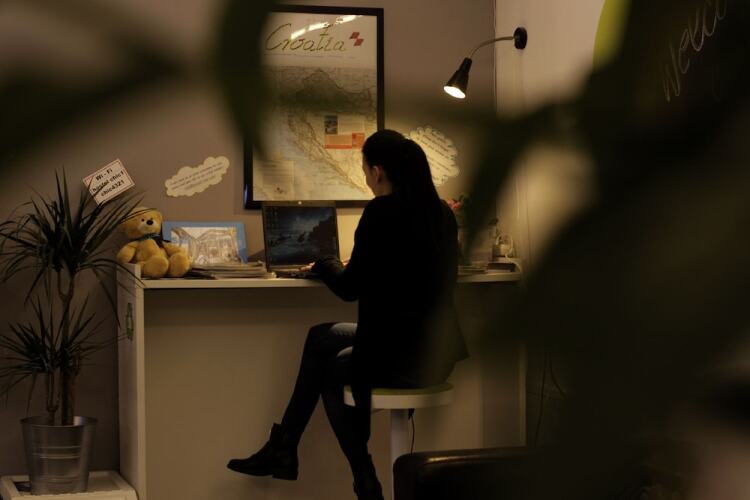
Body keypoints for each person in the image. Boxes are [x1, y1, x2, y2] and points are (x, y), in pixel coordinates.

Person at [227, 129, 467, 500]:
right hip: (436, 353)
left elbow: (349, 288)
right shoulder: (441, 214)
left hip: (402, 358)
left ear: (378, 171)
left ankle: (363, 479)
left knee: (332, 367)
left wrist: (324, 263)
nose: (367, 179)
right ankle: (284, 447)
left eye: (366, 171)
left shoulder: (381, 212)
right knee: (322, 336)